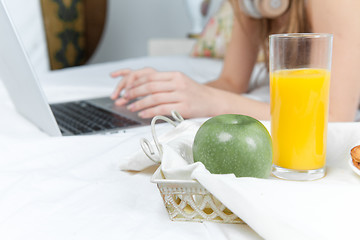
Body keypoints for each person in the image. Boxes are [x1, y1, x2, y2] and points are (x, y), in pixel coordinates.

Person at [110, 0, 360, 122]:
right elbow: (231, 81)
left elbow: (336, 117)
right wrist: (166, 89)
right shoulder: (252, 4)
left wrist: (213, 102)